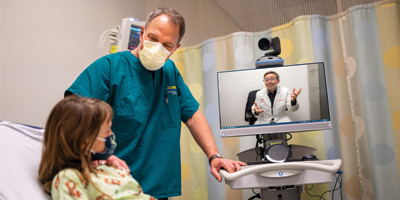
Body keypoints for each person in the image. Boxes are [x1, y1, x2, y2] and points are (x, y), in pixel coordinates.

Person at [64, 8, 246, 199]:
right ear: (142, 34)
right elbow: (73, 111)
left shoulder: (170, 72)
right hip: (115, 184)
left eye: (167, 44)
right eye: (152, 38)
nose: (157, 47)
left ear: (176, 48)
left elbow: (192, 115)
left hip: (158, 187)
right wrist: (97, 156)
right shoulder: (109, 67)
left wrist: (214, 156)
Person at [39, 96, 156, 199]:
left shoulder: (109, 168)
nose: (111, 135)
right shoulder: (69, 178)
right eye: (107, 130)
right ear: (84, 142)